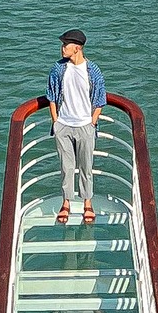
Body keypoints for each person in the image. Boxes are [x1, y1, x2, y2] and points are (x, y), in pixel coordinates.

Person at [47, 29, 105, 226]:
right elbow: (51, 96)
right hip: (64, 125)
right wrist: (56, 121)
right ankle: (66, 203)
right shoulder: (58, 69)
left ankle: (88, 203)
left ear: (77, 48)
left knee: (86, 167)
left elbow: (99, 100)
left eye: (66, 45)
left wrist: (92, 123)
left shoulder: (93, 71)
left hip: (84, 126)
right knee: (66, 167)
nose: (62, 48)